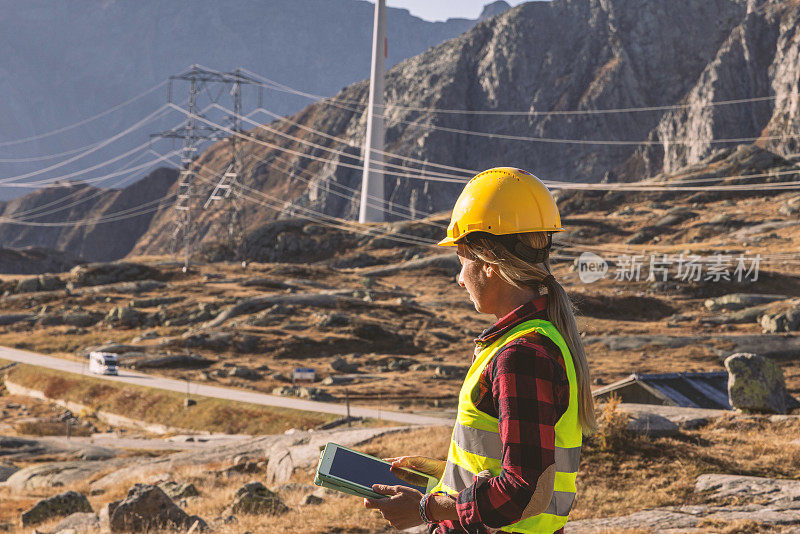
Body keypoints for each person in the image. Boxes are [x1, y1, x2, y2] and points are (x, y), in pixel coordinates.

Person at [364, 167, 596, 533]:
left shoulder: (521, 355)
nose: (459, 278)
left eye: (462, 260)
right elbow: (514, 468)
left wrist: (426, 509)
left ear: (488, 263)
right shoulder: (536, 338)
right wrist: (440, 473)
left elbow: (523, 491)